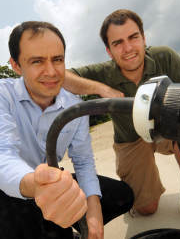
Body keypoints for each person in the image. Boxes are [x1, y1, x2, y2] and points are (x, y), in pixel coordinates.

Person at [63, 9, 180, 233]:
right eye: (118, 42)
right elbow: (62, 76)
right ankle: (142, 190)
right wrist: (101, 88)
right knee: (147, 209)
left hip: (168, 130)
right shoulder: (102, 72)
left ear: (144, 38)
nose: (128, 48)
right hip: (131, 140)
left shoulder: (165, 57)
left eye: (133, 37)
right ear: (109, 51)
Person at [0, 21, 134, 239]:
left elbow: (82, 161)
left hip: (53, 179)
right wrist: (36, 186)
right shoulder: (3, 96)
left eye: (58, 59)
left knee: (123, 196)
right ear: (16, 65)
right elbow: (2, 155)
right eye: (37, 61)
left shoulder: (75, 105)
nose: (51, 72)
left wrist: (94, 210)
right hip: (17, 187)